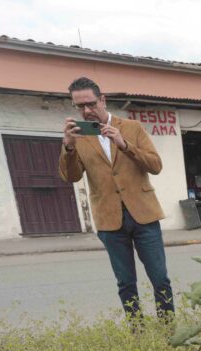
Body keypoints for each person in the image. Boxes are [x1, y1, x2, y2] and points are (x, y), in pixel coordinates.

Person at [59, 76, 173, 318]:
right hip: (109, 220)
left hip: (144, 215)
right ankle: (138, 330)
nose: (86, 111)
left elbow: (155, 165)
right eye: (80, 106)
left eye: (91, 104)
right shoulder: (78, 136)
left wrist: (124, 144)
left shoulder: (132, 127)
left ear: (102, 100)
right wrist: (68, 147)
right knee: (125, 283)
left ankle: (168, 328)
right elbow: (71, 176)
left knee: (160, 278)